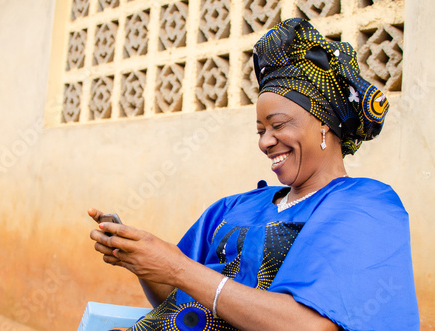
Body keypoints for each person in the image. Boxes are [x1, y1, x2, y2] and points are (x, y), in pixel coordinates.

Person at [89, 18, 419, 330]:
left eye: (278, 125)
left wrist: (176, 267)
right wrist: (141, 258)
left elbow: (309, 325)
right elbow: (183, 299)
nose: (265, 141)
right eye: (260, 130)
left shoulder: (366, 207)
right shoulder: (232, 208)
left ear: (324, 124)